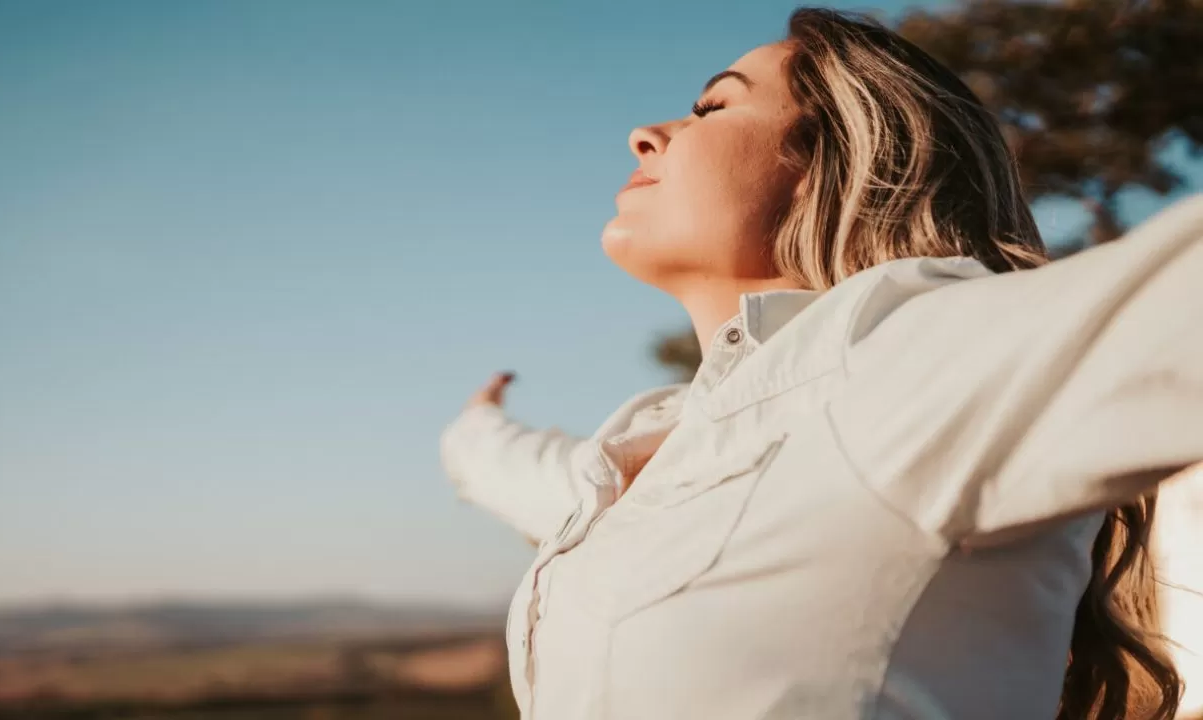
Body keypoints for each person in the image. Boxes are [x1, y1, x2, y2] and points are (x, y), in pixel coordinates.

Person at [439, 8, 1202, 720]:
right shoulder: (653, 446)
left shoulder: (903, 357)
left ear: (834, 158)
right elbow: (520, 471)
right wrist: (475, 428)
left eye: (711, 108)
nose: (644, 133)